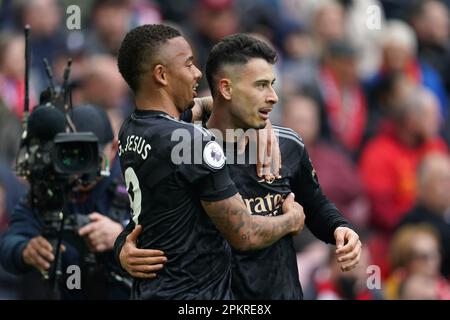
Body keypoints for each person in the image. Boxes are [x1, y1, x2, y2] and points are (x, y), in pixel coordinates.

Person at [117, 32, 361, 299]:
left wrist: (340, 228)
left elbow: (315, 203)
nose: (273, 97)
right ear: (226, 89)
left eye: (272, 84)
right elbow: (239, 233)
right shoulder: (191, 146)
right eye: (260, 86)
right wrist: (291, 220)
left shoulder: (287, 144)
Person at [0, 104, 131, 299]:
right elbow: (9, 242)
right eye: (73, 155)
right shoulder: (49, 187)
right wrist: (25, 251)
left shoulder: (136, 183)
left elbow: (171, 248)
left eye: (91, 155)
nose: (81, 169)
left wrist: (121, 237)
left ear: (113, 149)